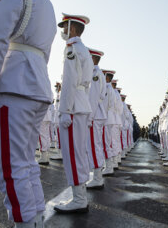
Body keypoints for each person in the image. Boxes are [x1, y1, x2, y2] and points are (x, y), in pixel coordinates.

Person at [0, 0, 56, 227]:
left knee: (11, 169)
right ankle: (35, 220)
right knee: (27, 164)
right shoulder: (46, 1)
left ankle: (25, 223)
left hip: (15, 86)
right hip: (36, 84)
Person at [54, 13, 93, 213]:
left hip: (73, 107)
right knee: (79, 151)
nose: (63, 31)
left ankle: (79, 199)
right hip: (81, 104)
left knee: (72, 153)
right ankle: (81, 195)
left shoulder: (72, 48)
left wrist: (65, 110)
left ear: (74, 29)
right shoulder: (82, 49)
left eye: (65, 27)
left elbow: (69, 81)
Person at [86, 48, 107, 189]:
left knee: (94, 146)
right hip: (97, 114)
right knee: (96, 145)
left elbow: (93, 98)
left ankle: (98, 178)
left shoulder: (95, 74)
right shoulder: (97, 73)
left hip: (94, 115)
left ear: (93, 59)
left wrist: (89, 117)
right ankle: (97, 175)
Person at [101, 69, 117, 176]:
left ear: (106, 77)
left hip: (106, 117)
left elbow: (104, 104)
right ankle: (108, 165)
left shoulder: (107, 88)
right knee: (107, 142)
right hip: (109, 117)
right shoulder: (110, 88)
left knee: (106, 143)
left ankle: (109, 166)